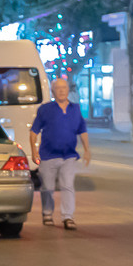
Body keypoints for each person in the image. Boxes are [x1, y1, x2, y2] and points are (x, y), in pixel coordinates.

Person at [29, 77, 91, 230]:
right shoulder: (45, 109)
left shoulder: (75, 109)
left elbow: (82, 130)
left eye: (64, 87)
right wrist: (34, 151)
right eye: (58, 88)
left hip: (68, 156)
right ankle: (47, 213)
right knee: (47, 188)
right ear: (53, 91)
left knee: (68, 186)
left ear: (68, 90)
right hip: (48, 155)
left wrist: (87, 150)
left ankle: (68, 217)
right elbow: (33, 131)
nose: (62, 90)